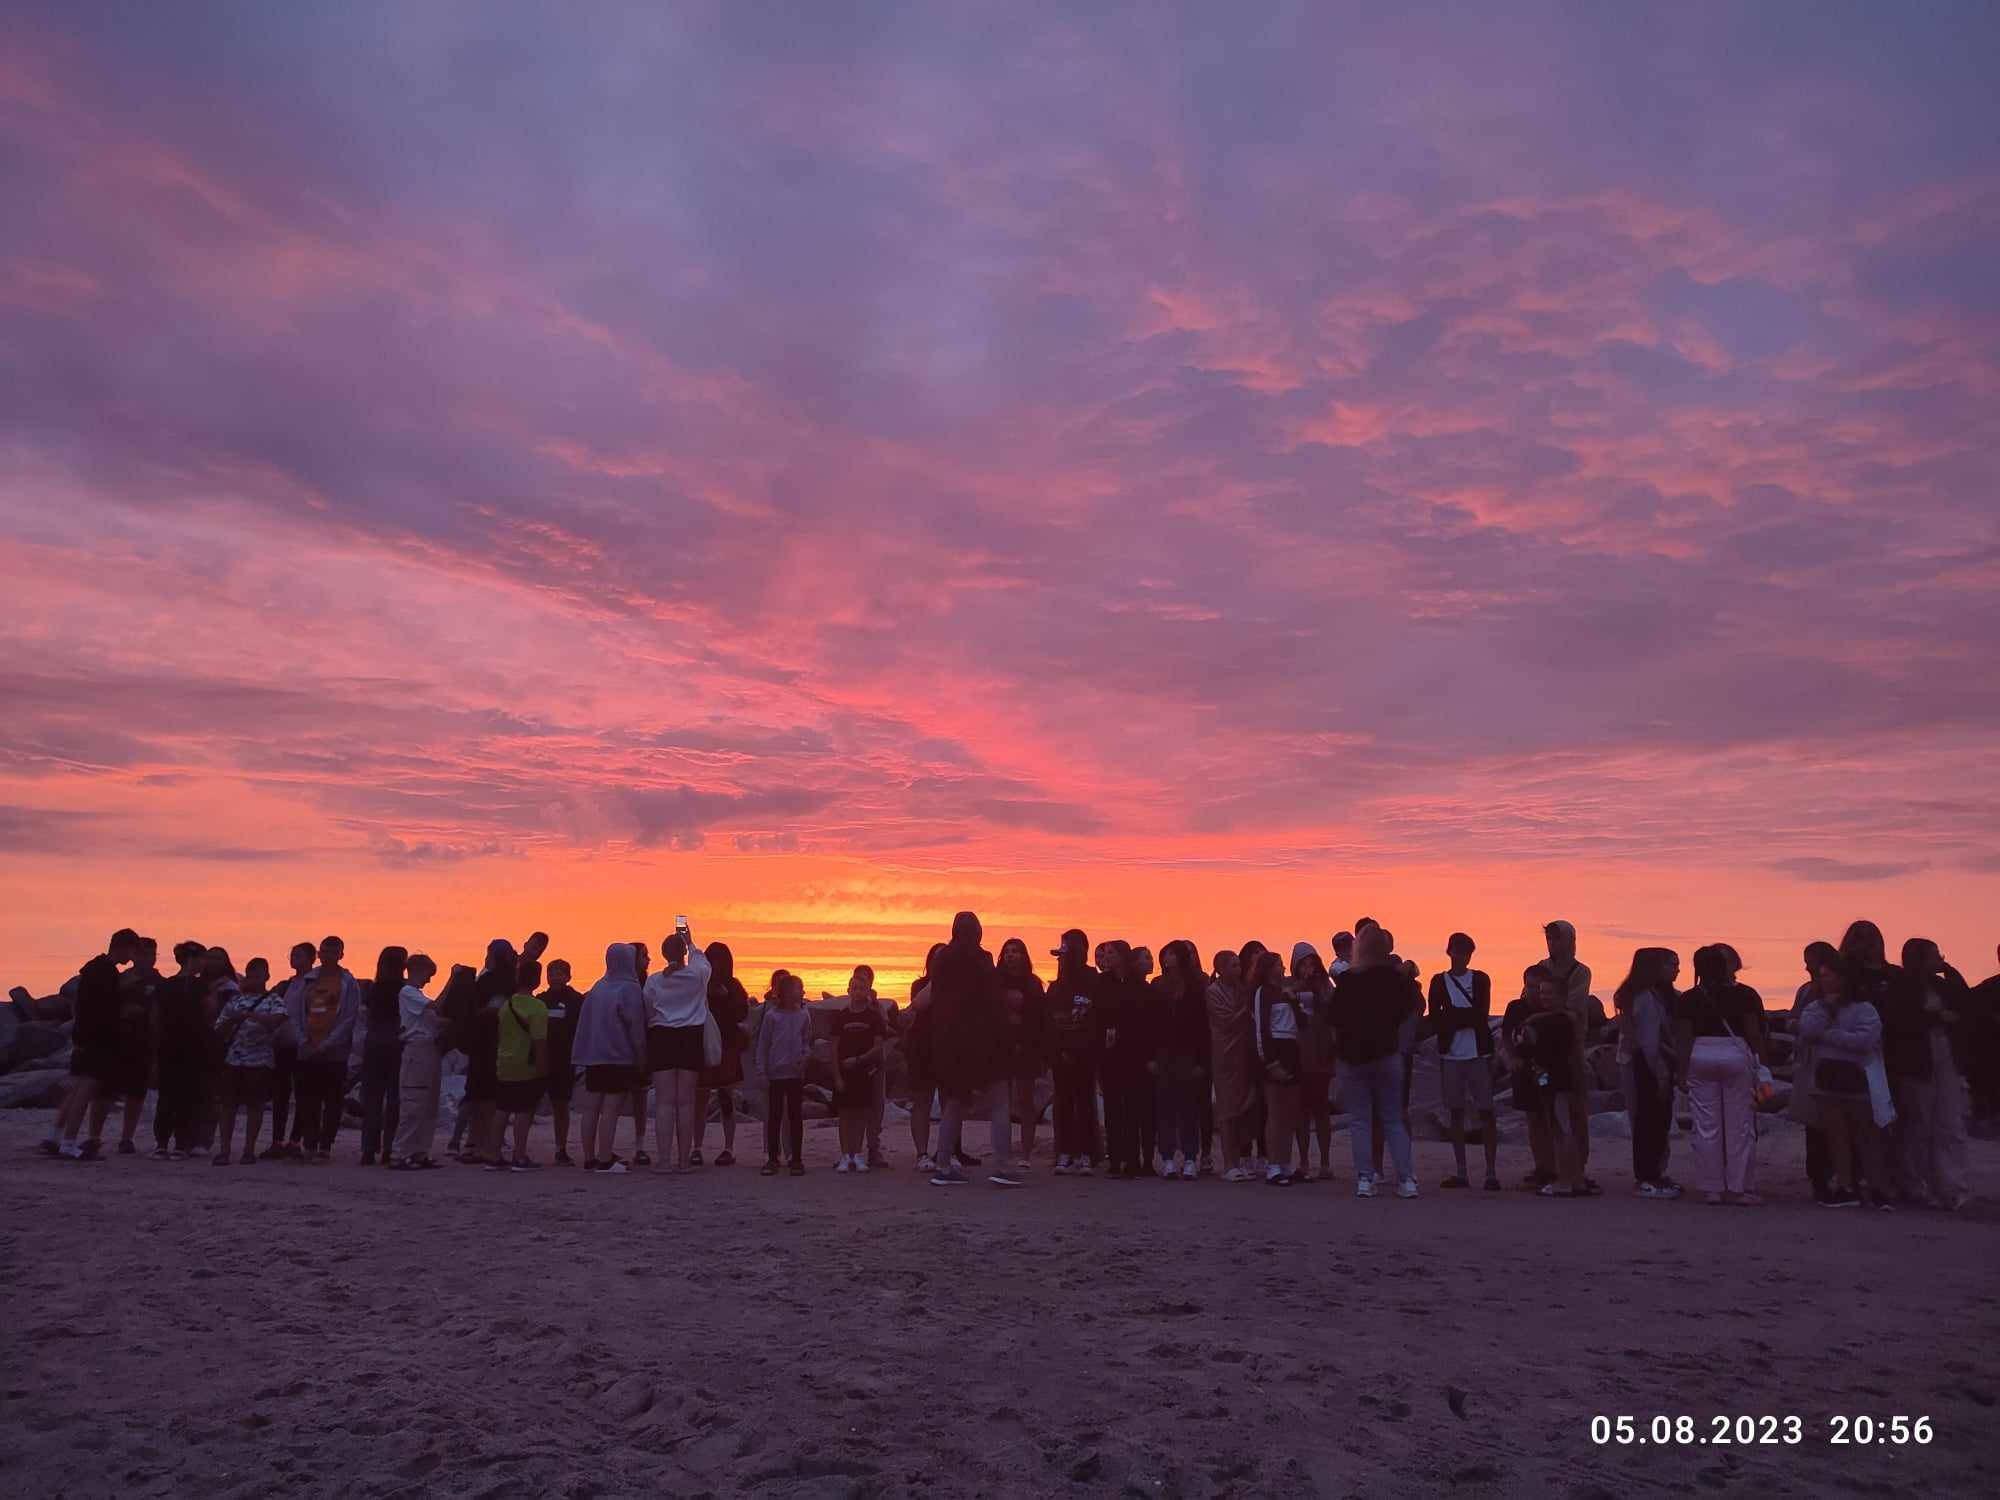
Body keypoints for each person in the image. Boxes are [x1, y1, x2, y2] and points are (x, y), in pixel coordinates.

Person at [927, 912, 1019, 1187]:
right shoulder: (982, 959)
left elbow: (936, 999)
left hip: (949, 1043)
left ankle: (943, 1165)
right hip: (982, 1042)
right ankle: (1002, 1165)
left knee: (955, 1103)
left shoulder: (941, 960)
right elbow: (992, 1002)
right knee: (999, 1101)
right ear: (977, 932)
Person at [1798, 956, 1893, 1210]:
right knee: (1836, 1136)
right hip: (1826, 1078)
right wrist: (1829, 1014)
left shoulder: (1864, 1008)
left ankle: (1877, 1188)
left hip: (1857, 1077)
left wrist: (1830, 1035)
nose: (1824, 981)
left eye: (1829, 976)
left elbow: (1865, 1040)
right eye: (1822, 976)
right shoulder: (1816, 1007)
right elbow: (1808, 1031)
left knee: (1866, 1136)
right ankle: (1845, 1186)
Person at [1331, 927, 1418, 1198]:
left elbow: (1334, 1017)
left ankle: (1366, 1179)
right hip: (1386, 1053)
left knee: (1360, 1120)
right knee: (1393, 1118)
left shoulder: (1347, 980)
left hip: (1353, 1057)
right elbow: (1409, 1008)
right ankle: (1406, 1180)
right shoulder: (1393, 979)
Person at [1676, 945, 1762, 1205]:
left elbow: (1684, 1038)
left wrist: (1682, 1071)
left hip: (1701, 1053)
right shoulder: (1745, 994)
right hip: (1735, 1052)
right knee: (1739, 1126)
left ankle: (1711, 1188)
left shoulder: (1689, 998)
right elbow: (1753, 1032)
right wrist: (1760, 1062)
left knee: (1705, 1125)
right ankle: (1739, 1187)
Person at [1889, 938, 1970, 1210]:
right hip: (1916, 1064)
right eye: (1935, 955)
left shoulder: (1941, 985)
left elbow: (1966, 1002)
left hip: (1945, 1058)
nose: (1940, 959)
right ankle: (1917, 1184)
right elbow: (1901, 1022)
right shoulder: (1902, 987)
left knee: (1950, 1124)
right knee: (1919, 1125)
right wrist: (1936, 1018)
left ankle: (1951, 1187)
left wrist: (1950, 970)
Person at [45, 929, 138, 1160]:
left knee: (77, 1087)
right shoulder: (106, 973)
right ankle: (68, 1143)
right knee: (85, 1090)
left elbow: (82, 1006)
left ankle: (55, 1137)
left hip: (84, 1036)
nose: (132, 958)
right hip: (98, 1039)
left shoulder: (93, 968)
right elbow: (105, 1010)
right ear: (123, 947)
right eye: (131, 951)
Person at [1506, 966, 1589, 1197]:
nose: (1544, 997)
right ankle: (1576, 1180)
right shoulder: (1559, 1019)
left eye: (1549, 993)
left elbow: (1529, 1043)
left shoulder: (1559, 1020)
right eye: (1542, 992)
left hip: (1556, 1080)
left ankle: (1565, 1180)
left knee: (1561, 1129)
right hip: (1550, 1079)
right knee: (1559, 1127)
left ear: (1562, 995)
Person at [1429, 933, 1500, 1192]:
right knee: (1456, 1112)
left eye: (1466, 953)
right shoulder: (1439, 981)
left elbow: (1479, 1015)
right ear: (1449, 952)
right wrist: (1460, 1018)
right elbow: (1437, 1019)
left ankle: (1490, 1172)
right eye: (1458, 952)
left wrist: (1453, 1018)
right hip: (1451, 1054)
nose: (1461, 957)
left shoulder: (1480, 979)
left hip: (1478, 1054)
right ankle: (1462, 1171)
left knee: (1486, 1111)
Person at [1612, 947, 1681, 1199]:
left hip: (1652, 1061)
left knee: (1658, 1120)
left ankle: (1656, 1172)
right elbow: (1648, 1041)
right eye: (1671, 965)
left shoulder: (1662, 996)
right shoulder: (1644, 999)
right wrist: (1661, 1073)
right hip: (1645, 1063)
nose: (1677, 970)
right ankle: (1647, 1175)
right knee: (1648, 1120)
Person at [574, 943, 649, 1174]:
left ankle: (589, 1157)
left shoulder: (598, 987)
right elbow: (635, 1027)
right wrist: (641, 1056)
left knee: (591, 1108)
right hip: (618, 1056)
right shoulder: (630, 988)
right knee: (611, 1108)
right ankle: (605, 1158)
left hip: (594, 1056)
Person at [644, 925, 713, 1172]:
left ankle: (664, 1160)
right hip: (689, 1038)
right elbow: (702, 961)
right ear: (683, 952)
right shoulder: (697, 975)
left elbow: (648, 1009)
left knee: (664, 1103)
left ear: (663, 954)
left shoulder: (654, 980)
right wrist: (690, 942)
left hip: (662, 1037)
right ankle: (683, 1161)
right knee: (686, 1104)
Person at [213, 950, 289, 1164]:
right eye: (250, 975)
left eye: (258, 976)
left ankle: (249, 1150)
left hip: (260, 1061)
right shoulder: (236, 1001)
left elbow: (277, 1022)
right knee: (228, 1106)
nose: (253, 980)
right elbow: (219, 1029)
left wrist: (251, 1016)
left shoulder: (274, 1000)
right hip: (233, 1060)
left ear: (267, 976)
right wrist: (233, 1019)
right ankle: (224, 1150)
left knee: (255, 1106)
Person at [1537, 919, 1595, 1183]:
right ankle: (1547, 1166)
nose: (1552, 943)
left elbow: (1572, 1006)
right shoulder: (1541, 968)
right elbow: (1533, 999)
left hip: (1572, 1047)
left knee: (1575, 1109)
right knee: (1544, 1108)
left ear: (1571, 941)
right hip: (1544, 1050)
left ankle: (1577, 1166)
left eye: (1557, 938)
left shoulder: (1580, 972)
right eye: (1549, 938)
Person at [1150, 939, 1209, 1181]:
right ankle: (1167, 1158)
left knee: (1189, 1108)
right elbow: (1149, 1025)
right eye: (1166, 954)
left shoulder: (1196, 986)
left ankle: (1190, 1158)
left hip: (1188, 1054)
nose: (1168, 958)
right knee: (1165, 1108)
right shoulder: (1157, 986)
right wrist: (1151, 1057)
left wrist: (1202, 1061)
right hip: (1163, 1054)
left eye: (1173, 954)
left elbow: (1203, 1027)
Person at [1095, 940, 1153, 1181]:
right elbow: (1096, 1018)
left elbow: (1146, 1021)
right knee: (1112, 1109)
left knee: (1132, 1109)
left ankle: (1132, 1159)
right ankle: (1115, 1159)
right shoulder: (1101, 984)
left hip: (1134, 1054)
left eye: (1112, 953)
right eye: (1105, 953)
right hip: (1109, 1055)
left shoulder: (1139, 985)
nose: (1107, 957)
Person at [1245, 950, 1303, 1186]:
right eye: (1278, 964)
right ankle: (1273, 1165)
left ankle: (1285, 1162)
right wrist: (1269, 1061)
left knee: (1290, 1112)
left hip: (1292, 1048)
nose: (1283, 968)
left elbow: (1302, 1024)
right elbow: (1261, 1028)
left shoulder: (1285, 992)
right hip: (1275, 1049)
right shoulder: (1262, 992)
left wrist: (1294, 1001)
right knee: (1276, 1112)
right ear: (1268, 969)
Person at [1044, 930, 1100, 1175]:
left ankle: (1088, 1153)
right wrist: (1056, 1050)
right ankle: (1064, 1151)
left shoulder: (1093, 981)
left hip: (1085, 1053)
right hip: (1061, 1054)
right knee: (1063, 1103)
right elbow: (1048, 1021)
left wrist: (1086, 1048)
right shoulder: (1056, 986)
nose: (1063, 959)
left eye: (1067, 954)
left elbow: (1097, 1019)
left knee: (1086, 1102)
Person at [152, 940, 214, 1159]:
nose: (204, 963)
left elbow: (155, 1018)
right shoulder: (200, 986)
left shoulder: (165, 986)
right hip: (193, 1047)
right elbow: (210, 1013)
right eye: (202, 958)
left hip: (168, 1046)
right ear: (192, 959)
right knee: (188, 1095)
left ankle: (162, 1143)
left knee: (167, 1095)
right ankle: (180, 1143)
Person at [1790, 941, 1840, 1203]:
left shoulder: (1840, 994)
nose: (1807, 967)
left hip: (1831, 1063)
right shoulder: (1805, 991)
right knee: (1814, 1124)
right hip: (1810, 1063)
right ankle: (1819, 1178)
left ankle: (1831, 1176)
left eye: (1810, 962)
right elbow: (1793, 1021)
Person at [488, 957, 549, 1172]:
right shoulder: (538, 1007)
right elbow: (539, 1041)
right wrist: (543, 1068)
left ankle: (494, 1155)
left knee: (502, 1109)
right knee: (524, 1110)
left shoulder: (507, 1005)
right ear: (537, 980)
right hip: (526, 1065)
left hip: (504, 1063)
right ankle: (519, 1155)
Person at [695, 943, 751, 1167]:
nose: (715, 964)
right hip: (704, 1047)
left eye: (718, 959)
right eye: (712, 959)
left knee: (726, 1098)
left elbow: (741, 1013)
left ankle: (728, 1147)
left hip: (726, 1047)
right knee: (700, 1099)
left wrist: (725, 998)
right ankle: (697, 1147)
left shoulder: (733, 986)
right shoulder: (700, 985)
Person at [995, 939, 1048, 1172]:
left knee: (1026, 1101)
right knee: (1001, 1102)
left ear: (1024, 956)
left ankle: (1026, 1153)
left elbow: (1040, 1019)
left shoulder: (1033, 984)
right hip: (1000, 1047)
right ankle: (1003, 1151)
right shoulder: (995, 982)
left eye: (1015, 951)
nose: (1010, 955)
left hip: (1026, 1048)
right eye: (1007, 952)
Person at [106, 935, 160, 1156]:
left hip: (144, 1043)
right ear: (134, 954)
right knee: (105, 1091)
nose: (149, 958)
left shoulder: (159, 982)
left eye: (153, 954)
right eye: (145, 953)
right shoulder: (120, 979)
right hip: (117, 1040)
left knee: (136, 1093)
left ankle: (126, 1138)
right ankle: (94, 1135)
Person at [1205, 949, 1256, 1181]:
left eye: (1239, 965)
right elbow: (1225, 1021)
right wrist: (1246, 1010)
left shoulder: (1242, 989)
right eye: (1233, 966)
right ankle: (1229, 1163)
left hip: (1243, 1054)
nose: (1238, 970)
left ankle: (1241, 1159)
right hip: (1224, 1055)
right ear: (1221, 969)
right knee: (1227, 1110)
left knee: (1243, 1109)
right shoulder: (1213, 992)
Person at [390, 954, 445, 1168]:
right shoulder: (408, 992)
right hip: (416, 1050)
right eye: (428, 975)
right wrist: (453, 979)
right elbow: (436, 1006)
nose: (429, 980)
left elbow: (434, 1019)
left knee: (429, 1104)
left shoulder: (417, 996)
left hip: (430, 1049)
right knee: (414, 1102)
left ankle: (420, 1151)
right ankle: (400, 1153)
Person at [1288, 943, 1337, 1182]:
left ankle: (1325, 1162)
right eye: (1303, 964)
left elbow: (1333, 1016)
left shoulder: (1326, 987)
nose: (1308, 968)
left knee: (1321, 1110)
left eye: (1312, 963)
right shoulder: (1290, 986)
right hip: (1298, 1052)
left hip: (1321, 1052)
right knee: (1300, 1111)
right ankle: (1304, 1161)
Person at [754, 972, 812, 1175]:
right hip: (775, 1074)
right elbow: (763, 1045)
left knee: (795, 1116)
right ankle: (772, 1158)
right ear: (786, 993)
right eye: (798, 988)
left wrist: (805, 1057)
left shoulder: (804, 1015)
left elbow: (806, 1041)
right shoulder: (772, 1017)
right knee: (774, 1116)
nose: (802, 992)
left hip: (795, 1074)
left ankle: (796, 1158)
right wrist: (761, 1071)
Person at [357, 946, 408, 1167]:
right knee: (395, 1099)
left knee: (373, 1099)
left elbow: (369, 1017)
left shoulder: (373, 989)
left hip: (375, 1044)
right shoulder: (405, 990)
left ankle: (368, 1149)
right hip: (398, 1044)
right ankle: (389, 1147)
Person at [265, 941, 316, 1158]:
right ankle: (277, 1140)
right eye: (292, 955)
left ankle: (295, 1141)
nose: (294, 959)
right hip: (283, 1044)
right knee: (281, 1094)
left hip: (303, 1045)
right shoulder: (286, 985)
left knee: (303, 1094)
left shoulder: (315, 983)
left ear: (311, 959)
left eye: (299, 955)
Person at [833, 977, 886, 1173]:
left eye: (862, 988)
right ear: (848, 990)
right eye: (854, 988)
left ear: (868, 991)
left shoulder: (874, 1017)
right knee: (845, 1115)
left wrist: (858, 1060)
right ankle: (845, 1155)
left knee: (861, 1115)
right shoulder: (841, 1016)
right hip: (844, 1074)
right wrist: (836, 1076)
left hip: (865, 1073)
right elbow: (833, 1048)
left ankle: (857, 1154)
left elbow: (878, 1047)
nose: (858, 992)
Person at [906, 945, 947, 1172]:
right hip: (922, 1049)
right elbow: (920, 1004)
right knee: (923, 1100)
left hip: (947, 1048)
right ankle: (921, 1153)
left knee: (950, 1101)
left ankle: (946, 1151)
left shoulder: (955, 985)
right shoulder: (920, 985)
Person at [539, 959, 584, 1164]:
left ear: (568, 976)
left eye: (559, 973)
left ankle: (561, 1148)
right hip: (541, 1059)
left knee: (561, 1106)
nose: (555, 977)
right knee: (528, 1105)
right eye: (551, 973)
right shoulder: (540, 1000)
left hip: (565, 1061)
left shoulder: (576, 1000)